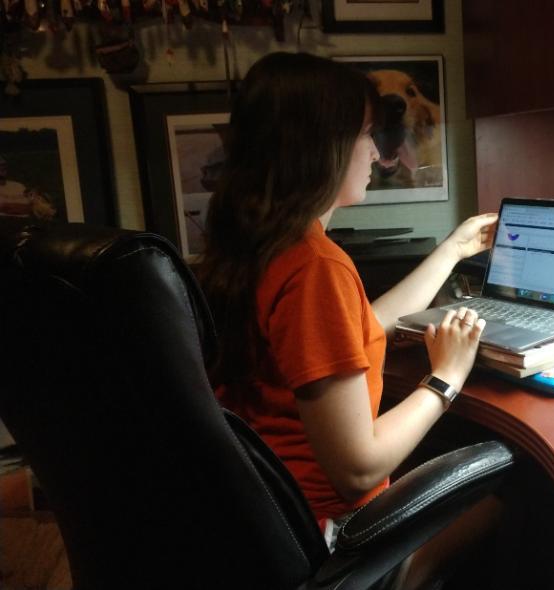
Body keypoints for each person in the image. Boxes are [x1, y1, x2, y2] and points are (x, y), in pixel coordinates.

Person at [199, 52, 500, 590]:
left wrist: (453, 249)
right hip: (328, 536)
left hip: (261, 520)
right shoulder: (315, 267)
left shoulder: (261, 245)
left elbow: (358, 328)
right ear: (320, 147)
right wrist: (446, 378)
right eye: (364, 134)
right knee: (517, 495)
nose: (374, 149)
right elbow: (358, 467)